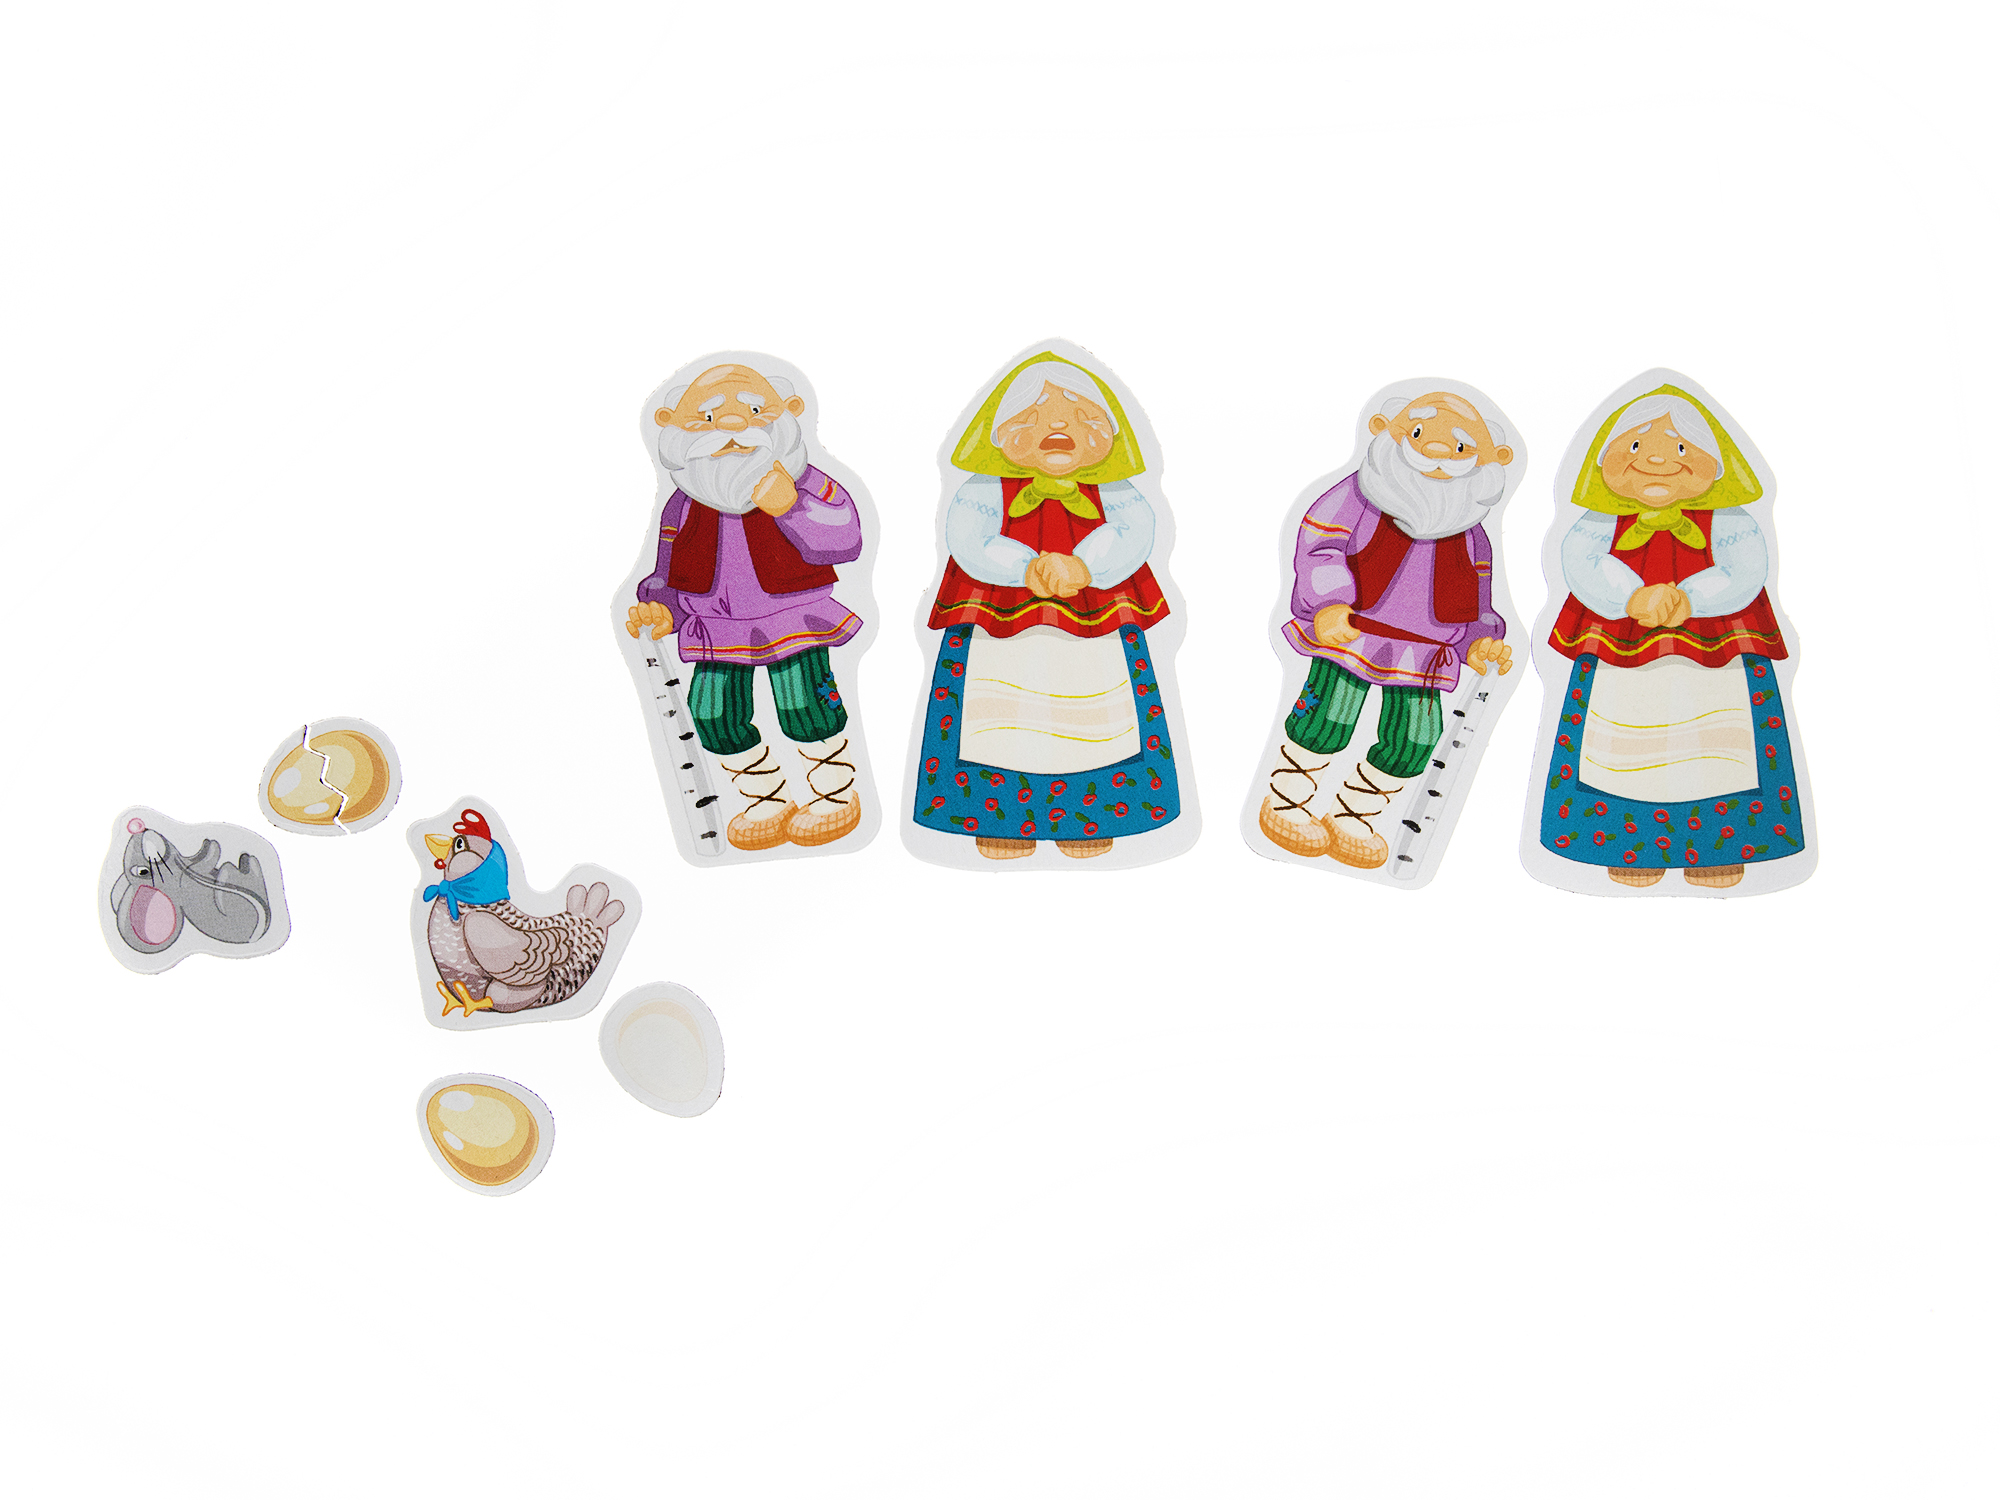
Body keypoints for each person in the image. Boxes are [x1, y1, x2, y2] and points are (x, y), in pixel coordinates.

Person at [912, 352, 1181, 859]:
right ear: (1000, 431)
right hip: (1000, 618)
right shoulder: (983, 487)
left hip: (1094, 617)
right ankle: (998, 817)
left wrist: (1086, 565)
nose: (1058, 426)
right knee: (993, 713)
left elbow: (1135, 530)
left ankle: (1094, 815)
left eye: (1081, 415)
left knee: (1098, 713)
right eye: (1033, 415)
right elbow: (967, 537)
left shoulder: (1113, 487)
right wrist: (1022, 567)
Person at [1536, 382, 1804, 887]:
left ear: (1713, 461)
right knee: (1617, 744)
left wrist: (1692, 598)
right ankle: (1625, 844)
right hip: (1621, 646)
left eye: (1681, 448)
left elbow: (1748, 568)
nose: (1657, 461)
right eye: (1636, 446)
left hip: (1716, 648)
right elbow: (1581, 561)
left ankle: (1721, 846)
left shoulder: (1729, 518)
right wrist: (1630, 596)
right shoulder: (1601, 518)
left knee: (1722, 743)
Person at [1259, 390, 1513, 867]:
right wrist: (1329, 602)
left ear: (1487, 460)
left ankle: (1354, 818)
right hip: (1353, 632)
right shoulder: (1359, 495)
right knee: (1328, 717)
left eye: (1460, 447)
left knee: (1416, 738)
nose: (1437, 454)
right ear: (1388, 434)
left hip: (1426, 651)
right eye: (1420, 435)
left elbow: (1477, 597)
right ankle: (1287, 802)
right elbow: (1321, 544)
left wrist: (1479, 642)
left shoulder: (1469, 530)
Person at [626, 362, 864, 851]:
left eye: (754, 411)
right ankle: (766, 801)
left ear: (788, 415)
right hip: (715, 627)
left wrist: (792, 505)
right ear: (673, 426)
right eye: (708, 418)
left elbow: (846, 538)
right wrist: (662, 609)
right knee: (712, 713)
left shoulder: (804, 482)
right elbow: (669, 570)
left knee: (805, 704)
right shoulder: (684, 504)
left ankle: (834, 795)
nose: (734, 426)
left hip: (791, 618)